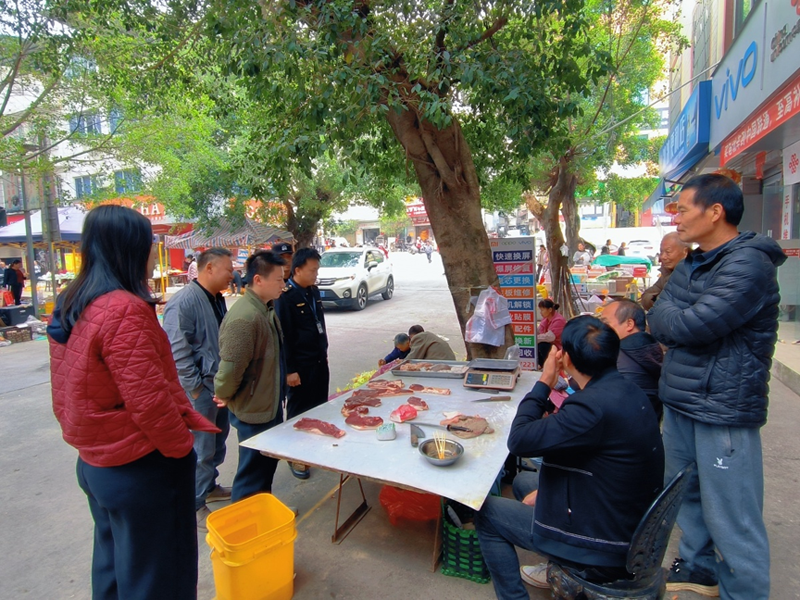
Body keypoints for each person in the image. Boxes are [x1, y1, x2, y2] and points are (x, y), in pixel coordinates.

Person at [46, 205, 217, 600]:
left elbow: (66, 389)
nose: (151, 254)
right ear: (130, 249)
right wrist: (181, 450)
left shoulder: (72, 301)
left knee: (115, 569)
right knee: (158, 580)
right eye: (148, 245)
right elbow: (150, 402)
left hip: (97, 462)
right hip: (139, 467)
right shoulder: (123, 309)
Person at [648, 174, 784, 599]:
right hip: (681, 400)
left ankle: (745, 591)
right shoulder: (693, 262)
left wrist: (675, 321)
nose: (676, 217)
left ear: (715, 212)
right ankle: (698, 566)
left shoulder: (749, 264)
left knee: (732, 513)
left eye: (683, 209)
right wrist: (674, 321)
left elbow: (695, 325)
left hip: (722, 407)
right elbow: (657, 315)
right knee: (685, 494)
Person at [475, 316, 664, 597]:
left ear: (568, 358)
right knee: (524, 483)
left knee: (487, 513)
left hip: (604, 544)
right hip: (624, 512)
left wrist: (545, 381)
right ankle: (555, 561)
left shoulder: (591, 407)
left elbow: (519, 440)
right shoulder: (626, 389)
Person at [163, 248, 235, 532]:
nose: (232, 274)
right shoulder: (183, 302)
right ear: (209, 269)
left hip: (217, 387)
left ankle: (209, 487)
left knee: (217, 442)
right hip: (200, 391)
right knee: (201, 448)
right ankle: (194, 505)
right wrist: (194, 390)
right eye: (228, 269)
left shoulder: (216, 298)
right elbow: (177, 351)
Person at [214, 251, 287, 503]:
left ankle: (261, 512)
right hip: (254, 409)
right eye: (278, 279)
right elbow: (231, 368)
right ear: (258, 279)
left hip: (267, 404)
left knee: (265, 466)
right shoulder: (245, 317)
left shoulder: (264, 309)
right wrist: (223, 393)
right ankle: (243, 517)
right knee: (252, 472)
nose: (283, 284)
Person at [275, 247, 329, 480]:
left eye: (317, 270)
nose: (316, 274)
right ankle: (295, 455)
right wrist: (290, 370)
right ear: (297, 270)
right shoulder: (285, 297)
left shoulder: (313, 292)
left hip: (319, 361)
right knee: (299, 411)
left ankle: (312, 449)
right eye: (312, 270)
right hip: (300, 367)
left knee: (319, 406)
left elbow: (319, 325)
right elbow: (284, 337)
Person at [600, 298, 663, 420]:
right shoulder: (649, 348)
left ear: (629, 324)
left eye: (606, 324)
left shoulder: (619, 357)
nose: (600, 329)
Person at [640, 232, 690, 310]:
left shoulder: (693, 276)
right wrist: (657, 299)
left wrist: (659, 300)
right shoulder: (667, 272)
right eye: (661, 252)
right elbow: (646, 296)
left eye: (668, 252)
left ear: (685, 252)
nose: (663, 257)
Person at [536, 299, 566, 368]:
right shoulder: (545, 319)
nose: (540, 312)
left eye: (542, 310)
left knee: (542, 345)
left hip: (559, 347)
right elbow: (539, 330)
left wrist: (534, 338)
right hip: (552, 345)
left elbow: (550, 337)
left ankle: (550, 366)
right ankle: (542, 364)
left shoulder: (559, 320)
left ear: (549, 310)